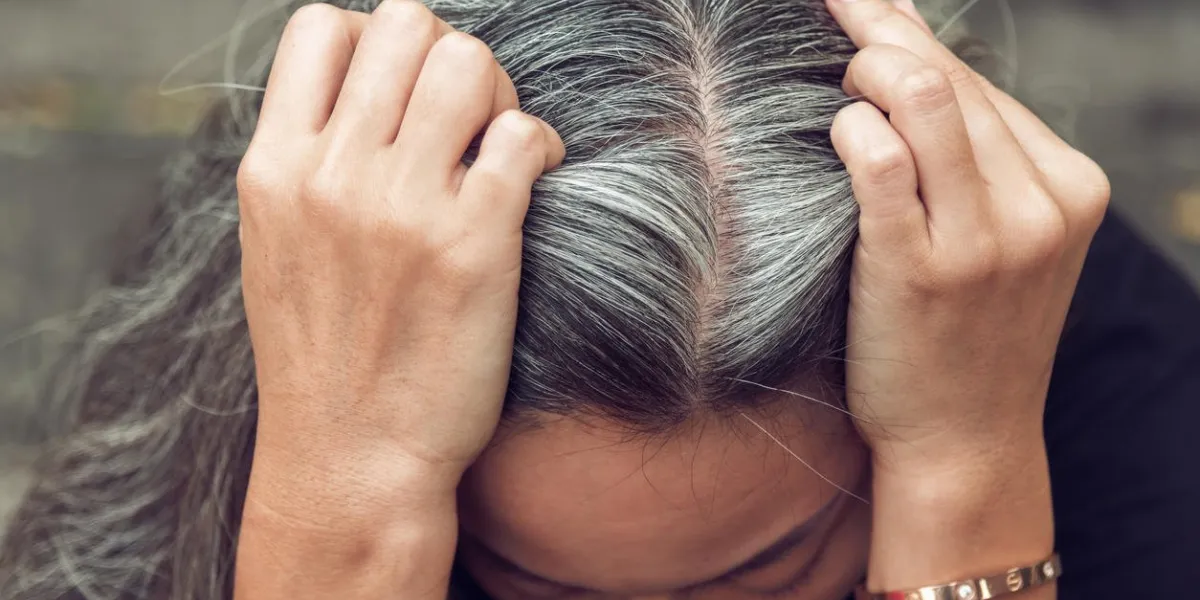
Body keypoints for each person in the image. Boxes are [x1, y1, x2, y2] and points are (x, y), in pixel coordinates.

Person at [1, 0, 1197, 599]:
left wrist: (967, 483)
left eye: (757, 579)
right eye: (532, 584)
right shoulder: (301, 300)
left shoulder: (1119, 406)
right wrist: (339, 508)